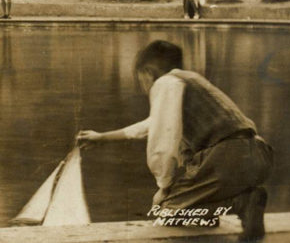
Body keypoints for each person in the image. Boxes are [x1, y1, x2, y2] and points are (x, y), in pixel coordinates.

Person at [77, 40, 272, 242]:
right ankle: (225, 207)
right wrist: (102, 137)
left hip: (226, 158)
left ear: (148, 73)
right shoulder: (188, 79)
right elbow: (152, 124)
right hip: (256, 153)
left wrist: (164, 186)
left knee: (166, 213)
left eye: (140, 78)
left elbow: (164, 139)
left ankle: (242, 202)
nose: (143, 86)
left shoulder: (165, 84)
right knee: (184, 205)